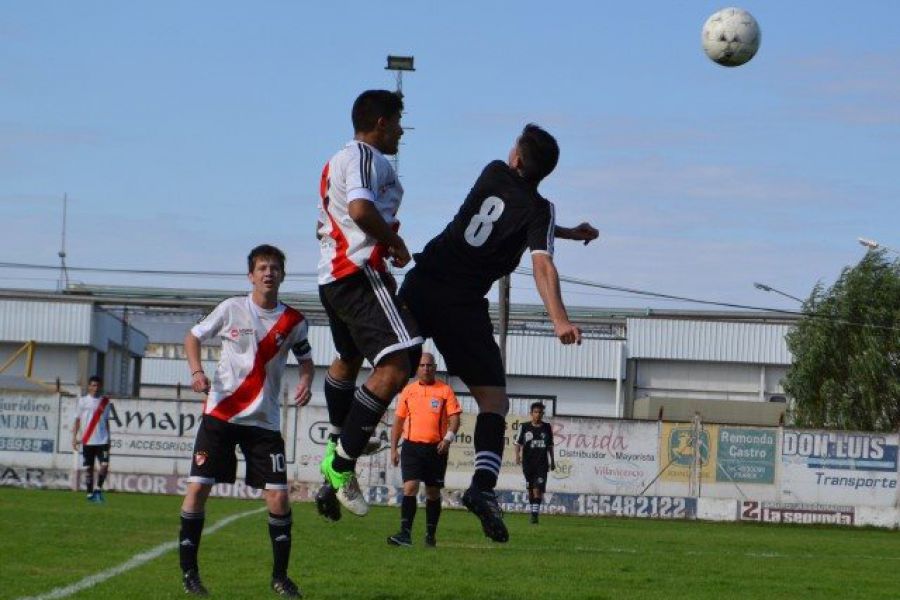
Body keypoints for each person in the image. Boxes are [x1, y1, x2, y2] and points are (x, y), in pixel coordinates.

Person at [399, 123, 598, 543]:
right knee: (493, 400)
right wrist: (559, 319)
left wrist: (564, 231)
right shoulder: (541, 210)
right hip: (462, 305)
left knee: (393, 369)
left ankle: (341, 456)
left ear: (517, 160)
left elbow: (510, 216)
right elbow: (541, 260)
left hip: (425, 279)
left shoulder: (492, 172)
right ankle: (482, 489)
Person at [178, 244, 314, 598]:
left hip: (264, 422)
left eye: (274, 268)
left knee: (279, 500)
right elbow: (192, 336)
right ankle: (190, 574)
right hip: (221, 415)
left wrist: (306, 379)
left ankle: (280, 578)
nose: (268, 273)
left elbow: (305, 357)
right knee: (197, 490)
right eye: (262, 268)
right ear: (251, 275)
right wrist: (196, 372)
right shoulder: (231, 308)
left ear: (282, 275)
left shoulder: (294, 321)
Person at [315, 89, 423, 522]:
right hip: (357, 275)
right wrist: (394, 241)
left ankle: (339, 439)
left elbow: (340, 218)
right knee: (401, 359)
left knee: (349, 356)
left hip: (334, 277)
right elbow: (360, 210)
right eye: (398, 121)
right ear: (381, 123)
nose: (401, 130)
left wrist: (385, 241)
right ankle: (342, 464)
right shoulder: (362, 156)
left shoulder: (337, 161)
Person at [387, 352, 461, 548]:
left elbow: (455, 418)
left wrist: (448, 439)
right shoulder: (408, 391)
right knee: (410, 487)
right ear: (417, 368)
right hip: (411, 447)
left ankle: (430, 535)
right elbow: (398, 421)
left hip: (436, 449)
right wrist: (394, 448)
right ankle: (405, 534)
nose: (426, 369)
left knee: (433, 493)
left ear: (435, 367)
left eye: (429, 365)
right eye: (422, 365)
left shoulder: (445, 391)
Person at [71, 375, 113, 503]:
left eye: (98, 385)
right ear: (89, 386)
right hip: (88, 440)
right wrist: (74, 438)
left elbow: (106, 421)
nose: (95, 388)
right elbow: (77, 420)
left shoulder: (105, 402)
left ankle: (98, 489)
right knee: (89, 469)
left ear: (100, 387)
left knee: (104, 465)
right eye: (93, 385)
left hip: (102, 440)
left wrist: (109, 438)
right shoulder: (83, 401)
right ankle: (90, 494)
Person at [515, 402, 555, 524]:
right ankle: (533, 512)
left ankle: (534, 515)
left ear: (543, 414)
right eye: (536, 412)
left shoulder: (547, 427)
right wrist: (517, 456)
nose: (538, 414)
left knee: (538, 489)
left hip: (542, 464)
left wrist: (552, 461)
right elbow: (518, 443)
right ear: (531, 413)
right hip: (528, 463)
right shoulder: (524, 426)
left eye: (540, 412)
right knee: (531, 489)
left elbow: (550, 446)